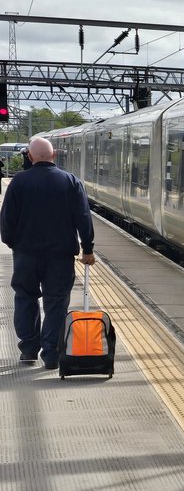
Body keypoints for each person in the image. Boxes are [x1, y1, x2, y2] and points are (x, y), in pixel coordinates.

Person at [0, 136, 95, 369]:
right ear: (54, 156)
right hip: (60, 256)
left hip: (26, 254)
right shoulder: (70, 181)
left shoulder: (19, 182)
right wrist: (88, 248)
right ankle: (51, 354)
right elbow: (83, 217)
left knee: (25, 298)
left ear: (30, 157)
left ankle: (29, 350)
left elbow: (6, 220)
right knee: (56, 302)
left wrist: (13, 243)